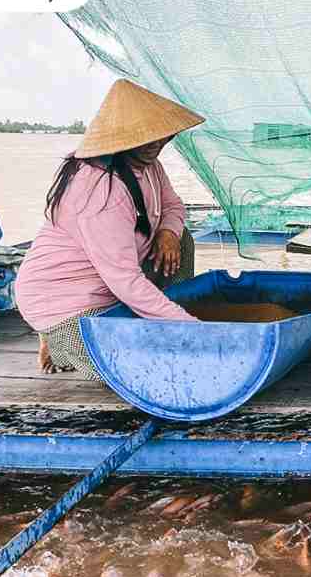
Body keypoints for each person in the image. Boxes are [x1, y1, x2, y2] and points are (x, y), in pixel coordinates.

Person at [14, 79, 204, 379]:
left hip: (110, 287)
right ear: (121, 139)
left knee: (181, 240)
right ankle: (56, 339)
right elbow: (126, 280)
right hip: (66, 302)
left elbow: (174, 207)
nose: (156, 143)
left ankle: (163, 316)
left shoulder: (149, 164)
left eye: (160, 135)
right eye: (145, 137)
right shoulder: (100, 191)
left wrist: (168, 233)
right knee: (137, 373)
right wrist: (194, 329)